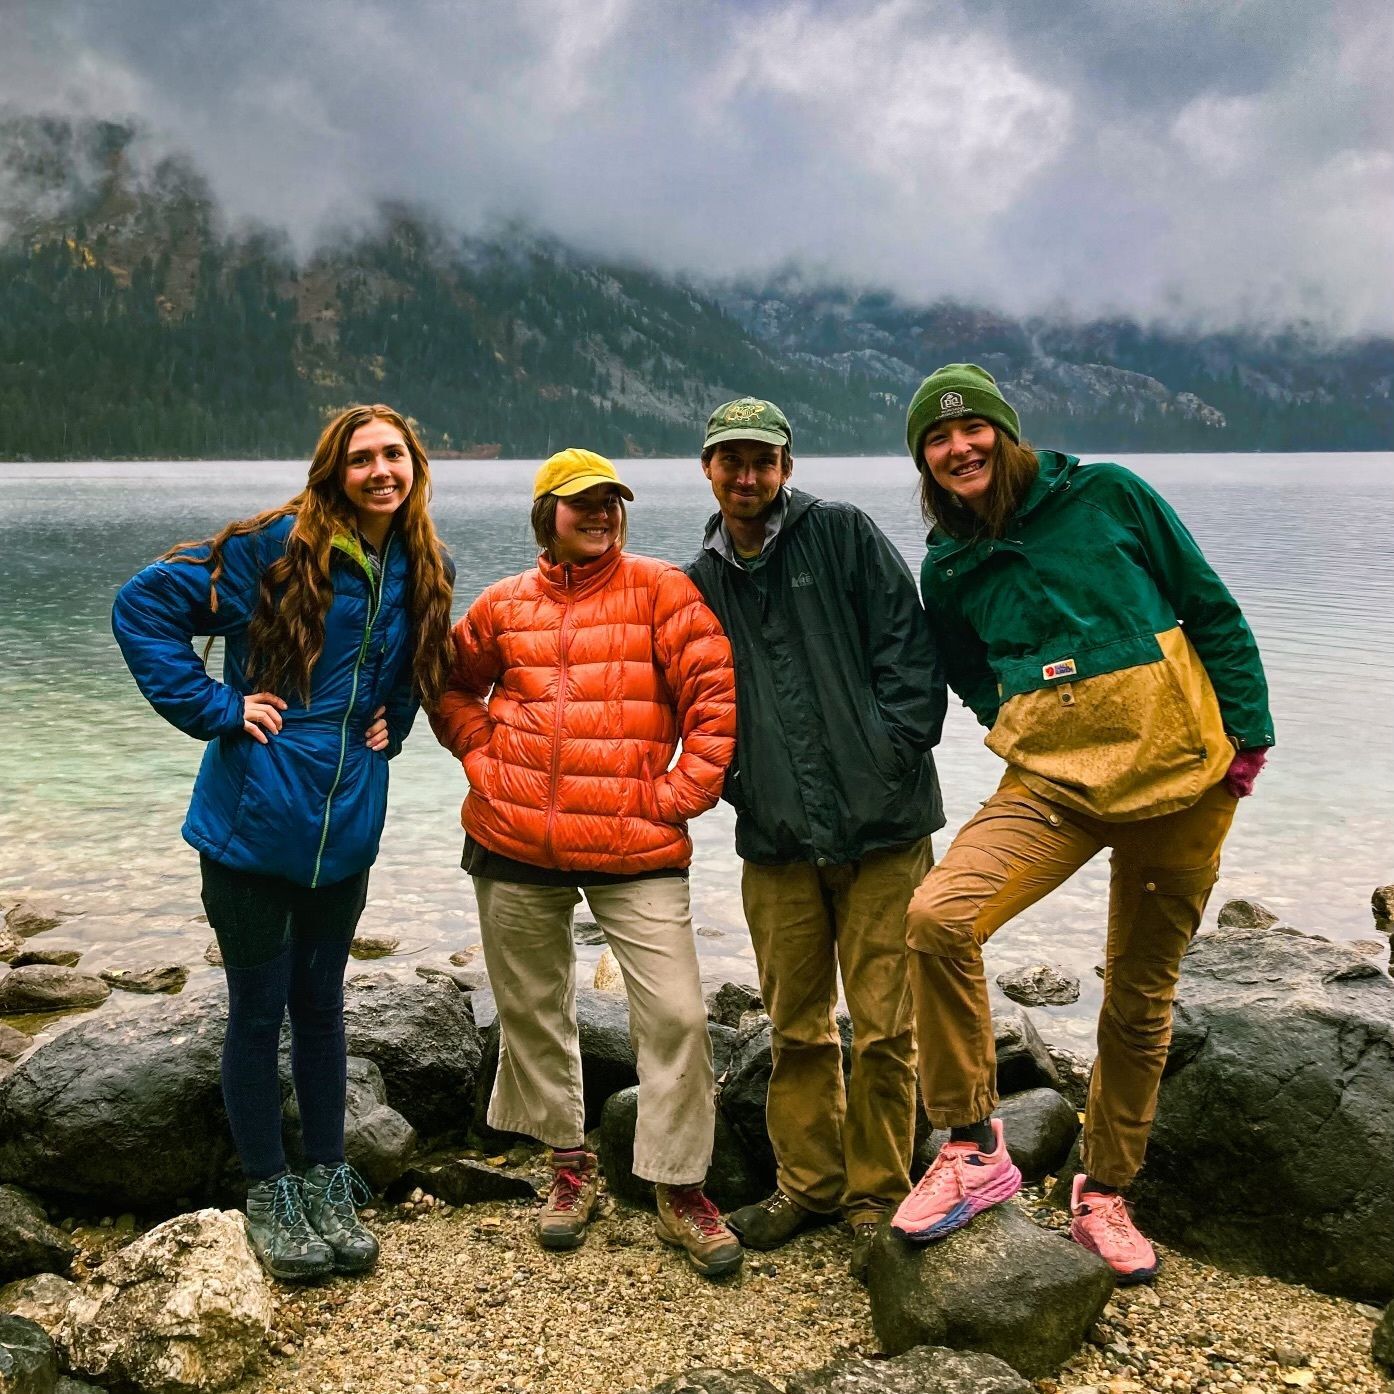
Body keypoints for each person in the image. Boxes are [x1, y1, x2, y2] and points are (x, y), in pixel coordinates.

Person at [892, 364, 1273, 1283]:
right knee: (939, 918)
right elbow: (965, 669)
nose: (958, 448)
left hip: (1182, 780)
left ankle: (1104, 1190)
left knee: (1139, 998)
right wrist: (1018, 716)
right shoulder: (947, 563)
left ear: (1005, 433)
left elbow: (1209, 605)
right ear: (925, 461)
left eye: (971, 429)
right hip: (1053, 786)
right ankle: (977, 1147)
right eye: (936, 440)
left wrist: (1246, 738)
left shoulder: (1109, 493)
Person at [112, 404, 454, 1281]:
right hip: (251, 829)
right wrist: (220, 709)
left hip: (345, 827)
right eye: (361, 458)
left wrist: (397, 722)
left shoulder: (423, 563)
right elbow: (142, 605)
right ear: (333, 471)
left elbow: (415, 664)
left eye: (394, 455)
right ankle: (270, 1187)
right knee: (258, 1014)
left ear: (415, 464)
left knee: (324, 1005)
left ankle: (329, 1172)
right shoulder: (276, 547)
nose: (381, 470)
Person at [430, 448, 743, 1279]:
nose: (599, 514)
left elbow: (714, 694)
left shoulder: (662, 590)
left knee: (676, 1015)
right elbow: (450, 685)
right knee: (532, 1009)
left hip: (634, 838)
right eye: (580, 504)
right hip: (512, 836)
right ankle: (570, 1166)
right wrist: (482, 755)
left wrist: (681, 792)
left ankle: (680, 1188)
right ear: (547, 516)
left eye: (610, 501)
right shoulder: (502, 605)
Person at [685, 397, 947, 1282]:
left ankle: (878, 1191)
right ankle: (807, 1185)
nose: (748, 476)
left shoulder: (842, 535)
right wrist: (737, 783)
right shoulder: (699, 580)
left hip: (885, 832)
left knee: (885, 1028)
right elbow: (694, 704)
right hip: (778, 840)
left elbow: (911, 652)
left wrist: (890, 750)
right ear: (709, 471)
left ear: (786, 467)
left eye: (764, 461)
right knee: (796, 1030)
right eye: (732, 461)